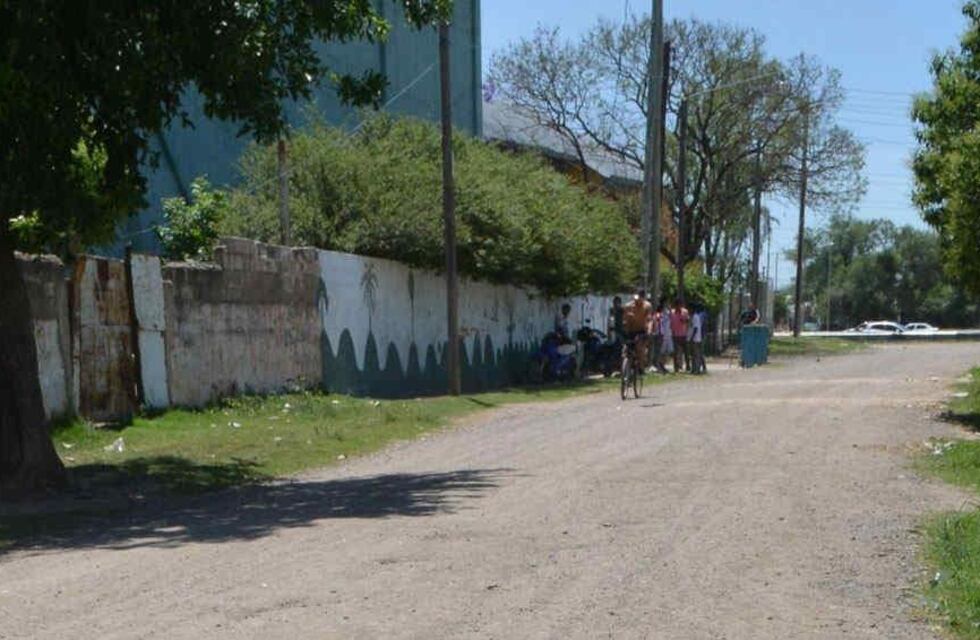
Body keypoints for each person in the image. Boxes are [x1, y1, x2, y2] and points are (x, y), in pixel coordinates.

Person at [622, 289, 653, 371]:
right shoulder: (628, 306)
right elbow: (624, 319)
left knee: (639, 348)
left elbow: (649, 320)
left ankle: (641, 367)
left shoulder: (647, 306)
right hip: (630, 330)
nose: (636, 301)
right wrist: (626, 320)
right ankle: (626, 367)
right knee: (625, 349)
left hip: (641, 331)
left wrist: (649, 330)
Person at [670, 299, 690, 373]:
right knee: (676, 352)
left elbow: (688, 321)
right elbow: (670, 322)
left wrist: (684, 321)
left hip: (683, 334)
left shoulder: (685, 312)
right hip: (675, 334)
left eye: (680, 305)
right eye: (677, 305)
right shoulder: (672, 313)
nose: (679, 307)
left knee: (686, 351)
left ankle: (688, 366)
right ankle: (676, 367)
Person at [651, 300, 670, 374]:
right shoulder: (659, 316)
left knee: (658, 351)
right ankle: (658, 366)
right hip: (659, 334)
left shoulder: (656, 315)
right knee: (658, 351)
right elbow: (658, 325)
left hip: (658, 334)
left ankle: (659, 365)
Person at [689, 303, 707, 374]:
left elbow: (695, 328)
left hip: (696, 339)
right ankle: (694, 369)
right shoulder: (695, 316)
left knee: (696, 355)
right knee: (694, 355)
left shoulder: (695, 317)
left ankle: (697, 369)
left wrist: (692, 337)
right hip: (697, 338)